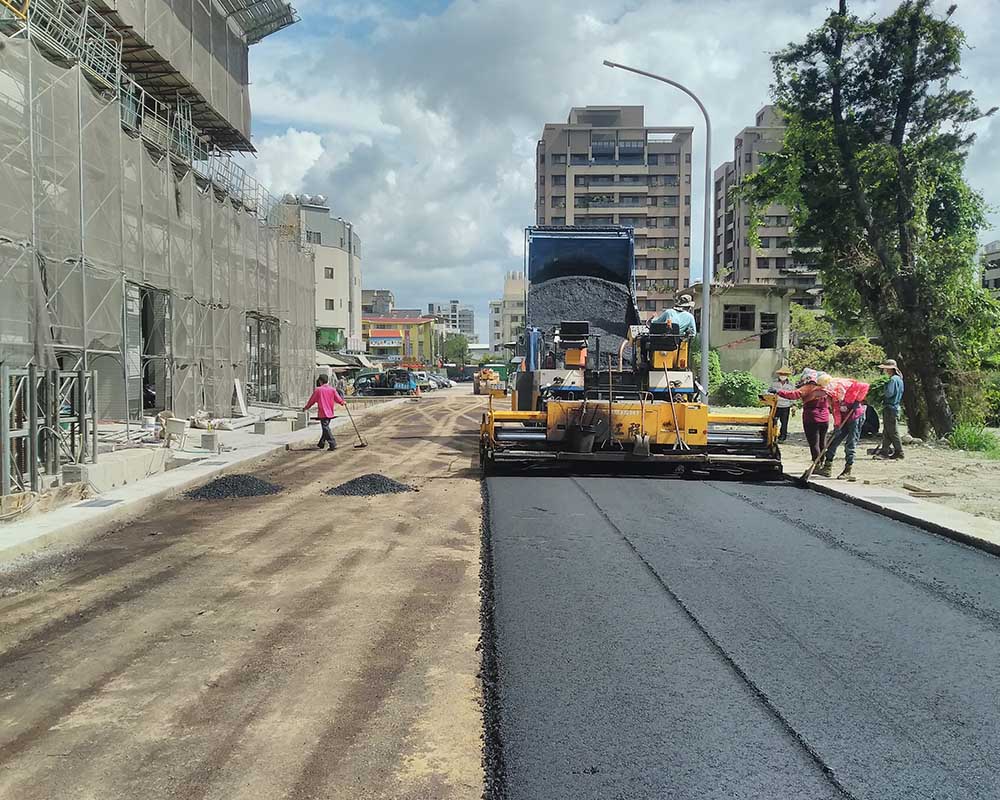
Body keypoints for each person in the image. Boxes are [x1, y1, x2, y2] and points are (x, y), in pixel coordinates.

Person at [817, 378, 868, 481]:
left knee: (850, 444)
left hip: (855, 417)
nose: (827, 398)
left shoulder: (849, 394)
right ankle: (827, 468)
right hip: (845, 419)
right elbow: (837, 413)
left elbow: (864, 385)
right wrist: (836, 426)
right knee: (833, 441)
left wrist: (858, 400)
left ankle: (848, 469)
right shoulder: (834, 401)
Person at [777, 369, 831, 461]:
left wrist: (778, 391)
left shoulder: (809, 387)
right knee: (822, 442)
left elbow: (794, 395)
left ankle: (816, 464)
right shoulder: (826, 388)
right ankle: (823, 462)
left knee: (814, 443)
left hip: (812, 418)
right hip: (825, 419)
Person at [303, 374, 347, 451]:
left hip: (322, 412)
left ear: (320, 381)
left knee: (325, 428)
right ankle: (321, 443)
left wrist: (306, 407)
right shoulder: (332, 389)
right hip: (330, 412)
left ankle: (332, 443)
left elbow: (312, 401)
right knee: (325, 428)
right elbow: (338, 398)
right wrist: (342, 402)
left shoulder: (318, 390)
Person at [872, 359, 905, 460]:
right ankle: (884, 452)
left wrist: (882, 393)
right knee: (887, 431)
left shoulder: (893, 380)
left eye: (886, 368)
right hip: (894, 407)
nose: (885, 370)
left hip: (890, 407)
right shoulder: (899, 379)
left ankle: (899, 452)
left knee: (892, 431)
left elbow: (889, 393)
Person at [769, 367, 794, 442]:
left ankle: (782, 437)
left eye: (785, 374)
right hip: (775, 405)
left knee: (784, 423)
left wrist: (793, 405)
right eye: (781, 374)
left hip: (785, 406)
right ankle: (771, 435)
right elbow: (768, 392)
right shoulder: (774, 383)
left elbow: (793, 396)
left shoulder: (791, 385)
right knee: (772, 421)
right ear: (779, 374)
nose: (783, 375)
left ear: (787, 375)